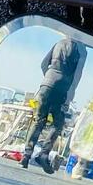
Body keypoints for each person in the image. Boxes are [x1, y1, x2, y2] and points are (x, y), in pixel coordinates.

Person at [20, 35, 86, 173]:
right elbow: (76, 77)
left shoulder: (59, 43)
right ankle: (43, 154)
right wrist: (69, 96)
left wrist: (48, 77)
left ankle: (26, 154)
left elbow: (44, 64)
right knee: (57, 123)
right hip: (62, 87)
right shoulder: (81, 49)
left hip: (46, 84)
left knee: (38, 120)